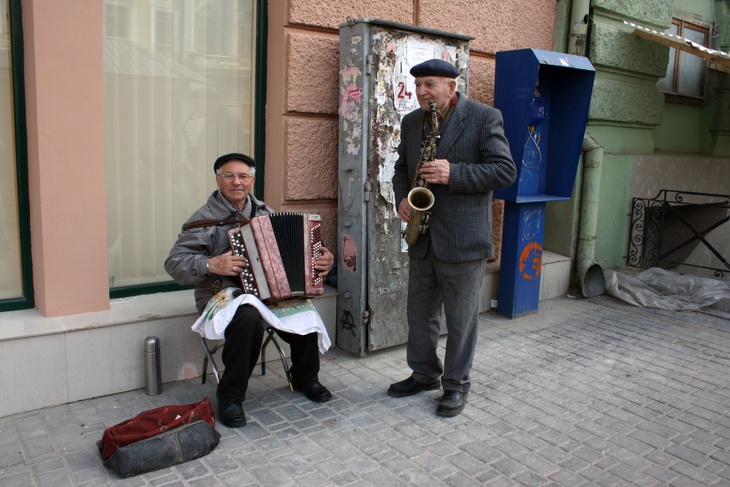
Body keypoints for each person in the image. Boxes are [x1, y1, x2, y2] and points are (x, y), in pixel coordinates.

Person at [165, 152, 334, 428]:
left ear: (252, 181)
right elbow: (174, 263)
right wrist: (211, 263)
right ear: (218, 180)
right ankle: (230, 397)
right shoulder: (203, 221)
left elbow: (305, 253)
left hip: (267, 292)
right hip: (222, 293)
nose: (236, 182)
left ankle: (306, 378)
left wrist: (324, 260)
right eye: (229, 176)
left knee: (303, 308)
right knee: (248, 317)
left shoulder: (265, 213)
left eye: (243, 176)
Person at [389, 59, 516, 416]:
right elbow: (401, 169)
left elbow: (505, 170)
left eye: (430, 84)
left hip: (463, 238)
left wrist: (453, 173)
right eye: (418, 86)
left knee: (460, 320)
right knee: (419, 314)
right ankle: (424, 373)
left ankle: (456, 386)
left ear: (451, 87)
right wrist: (402, 196)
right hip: (423, 237)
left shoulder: (484, 117)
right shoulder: (413, 122)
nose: (422, 92)